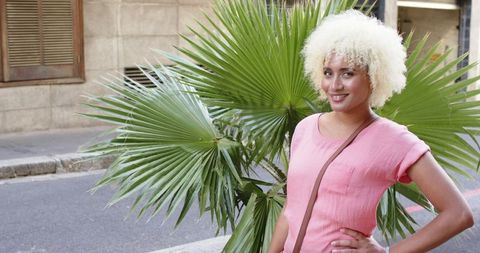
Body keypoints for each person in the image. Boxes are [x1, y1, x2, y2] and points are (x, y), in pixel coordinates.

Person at [268, 10, 474, 253]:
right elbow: (292, 207)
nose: (334, 85)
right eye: (328, 72)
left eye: (348, 73)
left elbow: (459, 214)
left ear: (374, 76)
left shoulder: (393, 139)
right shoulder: (305, 128)